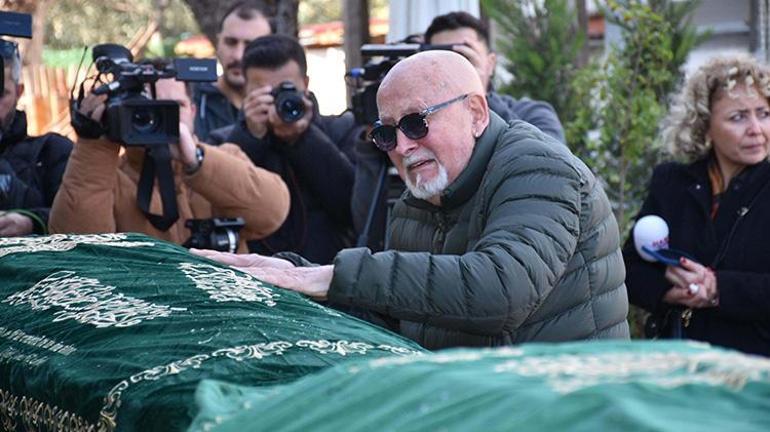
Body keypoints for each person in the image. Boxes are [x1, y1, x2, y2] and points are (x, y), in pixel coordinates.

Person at [195, 50, 630, 350]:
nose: (401, 146)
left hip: (572, 409)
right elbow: (404, 315)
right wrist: (294, 276)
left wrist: (333, 277)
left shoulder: (539, 167)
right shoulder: (419, 198)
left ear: (476, 113)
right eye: (386, 133)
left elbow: (500, 289)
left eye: (417, 123)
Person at [353, 11, 567, 252]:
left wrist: (468, 90)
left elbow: (545, 169)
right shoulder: (403, 142)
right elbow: (364, 219)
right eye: (440, 58)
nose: (404, 145)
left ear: (491, 63)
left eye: (462, 56)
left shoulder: (531, 114)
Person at [624, 55, 770, 357]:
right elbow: (629, 269)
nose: (756, 128)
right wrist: (667, 286)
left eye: (764, 113)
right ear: (704, 127)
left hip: (756, 374)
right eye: (738, 117)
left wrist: (719, 289)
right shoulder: (673, 183)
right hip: (680, 368)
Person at [49, 72, 290, 250]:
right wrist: (95, 145)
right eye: (147, 109)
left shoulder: (225, 157)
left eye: (176, 107)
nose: (163, 117)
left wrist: (197, 160)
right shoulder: (107, 176)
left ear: (193, 113)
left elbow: (273, 212)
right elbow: (78, 247)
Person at [217, 35, 360, 264]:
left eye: (286, 90)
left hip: (328, 275)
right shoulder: (224, 142)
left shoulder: (341, 130)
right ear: (245, 90)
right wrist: (250, 138)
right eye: (266, 93)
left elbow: (353, 207)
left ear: (306, 83)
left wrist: (303, 138)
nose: (278, 101)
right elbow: (220, 201)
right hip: (252, 276)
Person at [0, 38, 73, 236]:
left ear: (18, 92)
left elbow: (79, 218)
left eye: (1, 94)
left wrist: (32, 221)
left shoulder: (51, 151)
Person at [193, 1, 272, 142]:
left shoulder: (279, 107)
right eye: (231, 42)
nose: (238, 56)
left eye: (251, 45)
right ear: (218, 43)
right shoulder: (193, 102)